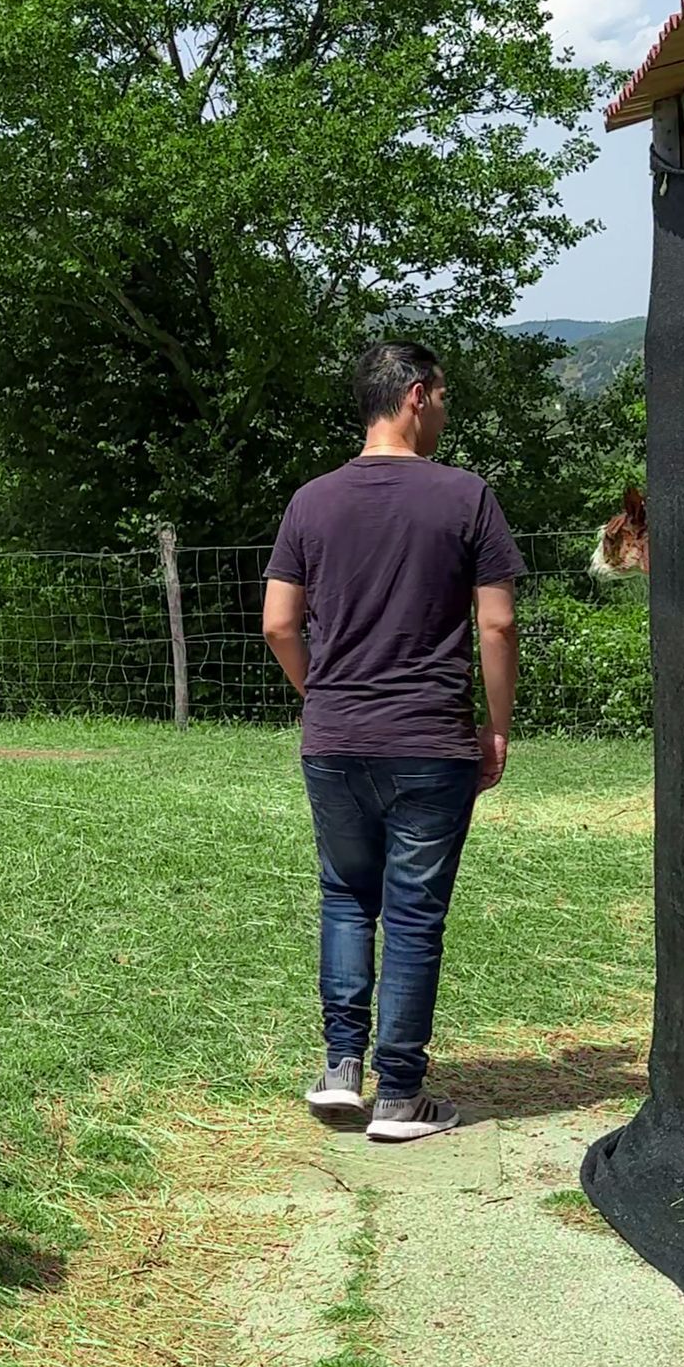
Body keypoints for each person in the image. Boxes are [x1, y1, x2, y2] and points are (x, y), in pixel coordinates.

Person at [261, 342, 523, 1143]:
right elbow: (498, 621)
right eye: (442, 396)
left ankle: (343, 1071)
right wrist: (498, 724)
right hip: (429, 741)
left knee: (346, 897)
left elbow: (277, 623)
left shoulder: (311, 501)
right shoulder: (467, 498)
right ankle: (402, 1095)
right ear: (416, 397)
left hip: (334, 738)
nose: (444, 411)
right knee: (413, 915)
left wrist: (324, 696)